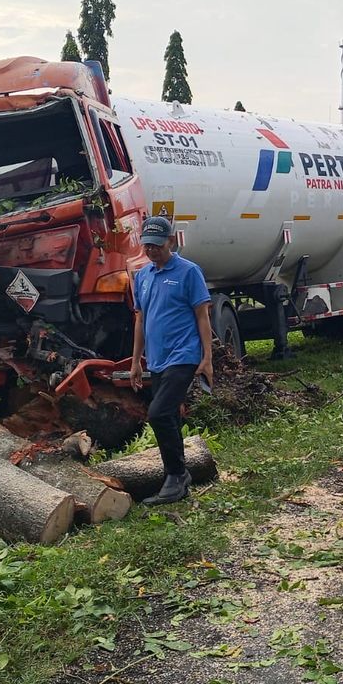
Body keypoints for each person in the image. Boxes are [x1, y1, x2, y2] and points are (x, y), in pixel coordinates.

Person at [129, 216, 214, 506]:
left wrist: (207, 358)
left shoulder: (189, 272)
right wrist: (136, 361)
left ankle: (177, 475)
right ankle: (177, 476)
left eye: (157, 244)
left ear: (171, 241)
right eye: (147, 245)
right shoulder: (143, 275)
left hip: (184, 355)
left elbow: (203, 316)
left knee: (159, 413)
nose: (151, 250)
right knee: (171, 417)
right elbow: (140, 319)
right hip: (157, 359)